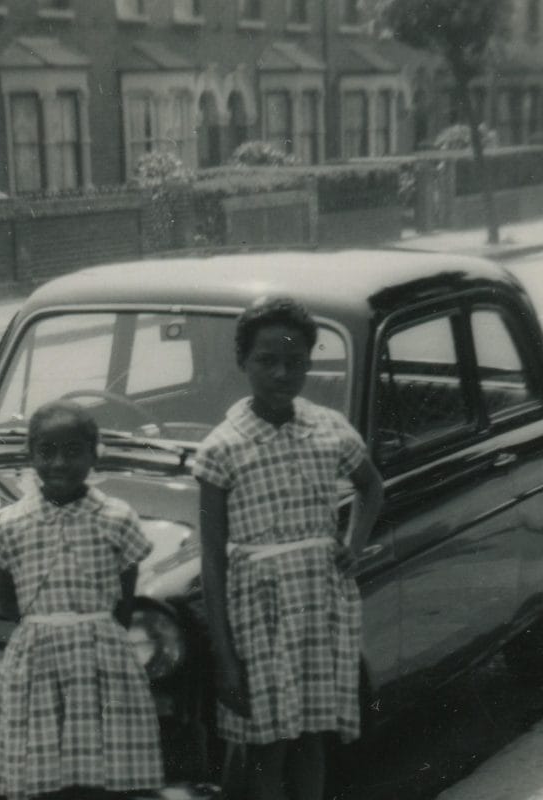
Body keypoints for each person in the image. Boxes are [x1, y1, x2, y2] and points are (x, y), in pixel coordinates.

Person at [193, 297, 385, 800]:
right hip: (259, 614)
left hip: (319, 607)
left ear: (308, 362)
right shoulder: (221, 448)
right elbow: (212, 558)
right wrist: (225, 657)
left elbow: (372, 487)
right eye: (266, 360)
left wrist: (354, 544)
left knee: (310, 736)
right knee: (266, 745)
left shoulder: (327, 428)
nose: (282, 373)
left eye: (295, 361)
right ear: (242, 361)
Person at [0, 400, 165, 800]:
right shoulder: (12, 524)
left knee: (101, 769)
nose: (59, 463)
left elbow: (124, 600)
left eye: (73, 451)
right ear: (30, 456)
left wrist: (91, 632)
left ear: (94, 453)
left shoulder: (117, 517)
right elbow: (9, 600)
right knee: (43, 769)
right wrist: (47, 630)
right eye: (47, 452)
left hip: (101, 661)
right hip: (38, 660)